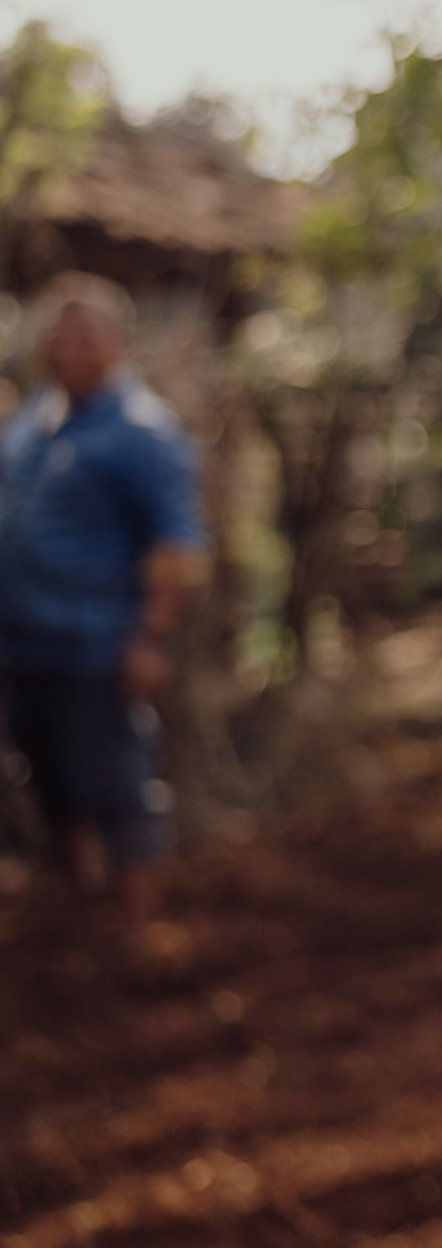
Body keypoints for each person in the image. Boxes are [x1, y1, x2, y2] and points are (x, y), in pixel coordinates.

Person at [0, 274, 206, 919]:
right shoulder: (36, 416)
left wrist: (148, 640)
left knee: (117, 783)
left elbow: (176, 544)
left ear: (117, 343)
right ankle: (80, 909)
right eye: (56, 332)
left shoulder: (142, 430)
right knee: (52, 781)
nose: (68, 346)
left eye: (84, 333)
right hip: (24, 641)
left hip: (97, 643)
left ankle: (140, 928)